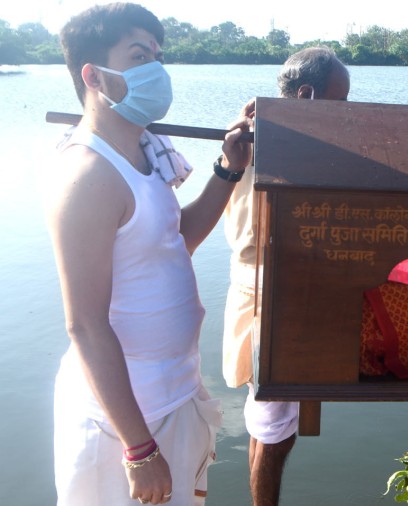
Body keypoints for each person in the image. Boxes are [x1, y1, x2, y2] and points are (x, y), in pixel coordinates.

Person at [46, 3, 252, 505]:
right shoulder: (90, 177)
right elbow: (86, 325)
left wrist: (228, 169)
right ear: (94, 75)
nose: (155, 69)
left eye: (158, 56)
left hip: (173, 394)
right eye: (139, 56)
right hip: (119, 425)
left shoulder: (142, 153)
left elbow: (173, 241)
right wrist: (139, 450)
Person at [221, 47, 350, 506]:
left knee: (265, 426)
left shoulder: (256, 137)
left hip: (263, 293)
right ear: (306, 95)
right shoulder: (268, 143)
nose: (346, 114)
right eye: (340, 103)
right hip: (271, 299)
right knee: (275, 435)